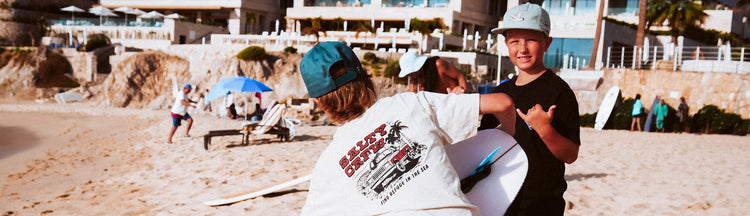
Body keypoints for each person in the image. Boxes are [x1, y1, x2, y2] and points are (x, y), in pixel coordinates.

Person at [298, 42, 516, 216]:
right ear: (365, 77)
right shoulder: (411, 104)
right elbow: (502, 104)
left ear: (319, 102)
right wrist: (506, 134)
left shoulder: (328, 166)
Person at [479, 3, 580, 215]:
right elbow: (480, 147)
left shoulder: (559, 92)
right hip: (499, 200)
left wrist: (545, 129)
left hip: (541, 205)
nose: (522, 49)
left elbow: (570, 154)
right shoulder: (499, 93)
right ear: (506, 44)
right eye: (515, 41)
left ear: (547, 43)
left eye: (531, 40)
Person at [398, 51, 467, 94]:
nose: (409, 76)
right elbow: (412, 97)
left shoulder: (439, 65)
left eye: (410, 72)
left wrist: (462, 94)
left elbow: (460, 76)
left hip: (453, 98)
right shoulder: (415, 79)